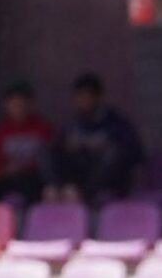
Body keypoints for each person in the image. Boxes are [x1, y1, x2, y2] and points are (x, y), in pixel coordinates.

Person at [44, 72, 144, 204]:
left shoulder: (116, 122)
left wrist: (103, 144)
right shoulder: (71, 124)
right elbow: (58, 148)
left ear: (97, 97)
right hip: (78, 173)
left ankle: (83, 195)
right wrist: (69, 146)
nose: (83, 101)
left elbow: (135, 152)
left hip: (106, 179)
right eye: (79, 97)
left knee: (112, 153)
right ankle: (56, 188)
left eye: (87, 96)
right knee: (47, 150)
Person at [0, 82, 53, 203]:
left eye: (22, 104)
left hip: (31, 177)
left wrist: (24, 168)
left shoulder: (43, 128)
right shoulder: (0, 129)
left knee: (35, 189)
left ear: (30, 104)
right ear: (6, 105)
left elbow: (49, 160)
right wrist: (4, 170)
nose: (18, 108)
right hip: (6, 177)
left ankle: (33, 221)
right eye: (14, 104)